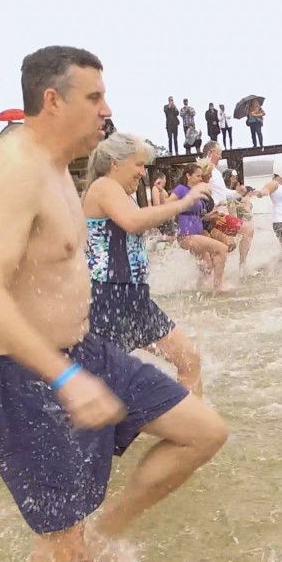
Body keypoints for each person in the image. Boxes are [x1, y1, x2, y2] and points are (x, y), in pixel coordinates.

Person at [0, 45, 227, 562]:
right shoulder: (16, 171)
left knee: (202, 432)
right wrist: (63, 377)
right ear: (52, 101)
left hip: (85, 352)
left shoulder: (60, 169)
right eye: (95, 97)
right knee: (56, 545)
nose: (107, 110)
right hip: (27, 375)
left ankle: (99, 540)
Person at [82, 132, 211, 394]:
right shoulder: (103, 187)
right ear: (116, 163)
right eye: (139, 165)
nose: (143, 172)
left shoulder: (120, 193)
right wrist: (184, 202)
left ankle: (193, 431)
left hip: (134, 299)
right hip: (108, 299)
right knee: (105, 390)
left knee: (189, 359)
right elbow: (133, 221)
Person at [172, 163, 230, 291]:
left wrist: (208, 216)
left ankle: (199, 290)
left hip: (196, 234)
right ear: (188, 175)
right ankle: (218, 288)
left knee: (207, 266)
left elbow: (194, 215)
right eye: (197, 176)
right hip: (187, 235)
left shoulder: (194, 191)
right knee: (222, 249)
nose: (200, 178)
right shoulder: (181, 189)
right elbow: (167, 205)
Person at [201, 140, 256, 268]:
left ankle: (239, 267)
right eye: (219, 153)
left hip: (220, 214)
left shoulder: (216, 172)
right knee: (242, 233)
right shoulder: (204, 171)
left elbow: (224, 192)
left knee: (227, 245)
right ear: (210, 153)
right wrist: (213, 205)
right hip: (214, 215)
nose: (221, 156)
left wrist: (239, 193)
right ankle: (239, 267)